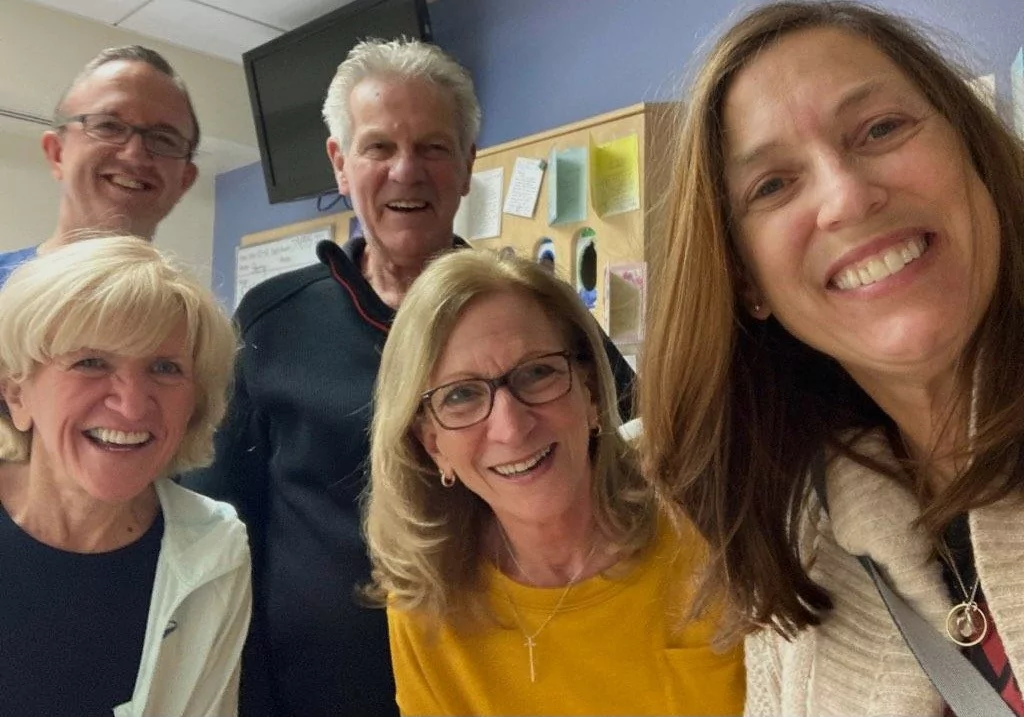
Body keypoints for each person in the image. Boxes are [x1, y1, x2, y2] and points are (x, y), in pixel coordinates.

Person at [184, 38, 635, 715]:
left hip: (509, 683)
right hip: (317, 691)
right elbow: (218, 529)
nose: (406, 171)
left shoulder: (535, 318)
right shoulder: (270, 321)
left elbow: (638, 453)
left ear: (466, 166)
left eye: (432, 146)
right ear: (340, 163)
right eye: (378, 148)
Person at [640, 2, 1024, 715]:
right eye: (773, 185)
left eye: (881, 128)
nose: (847, 197)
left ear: (971, 150)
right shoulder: (799, 551)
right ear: (747, 281)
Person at [365, 249, 744, 716]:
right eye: (460, 395)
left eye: (537, 372)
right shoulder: (424, 606)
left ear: (589, 393)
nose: (511, 427)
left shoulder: (706, 537)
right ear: (432, 444)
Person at [0, 236, 249, 716]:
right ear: (16, 395)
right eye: (91, 362)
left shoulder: (215, 549)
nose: (132, 404)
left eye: (164, 367)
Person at [0, 45, 199, 285]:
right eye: (109, 126)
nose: (134, 154)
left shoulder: (192, 319)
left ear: (184, 181)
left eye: (164, 139)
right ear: (57, 153)